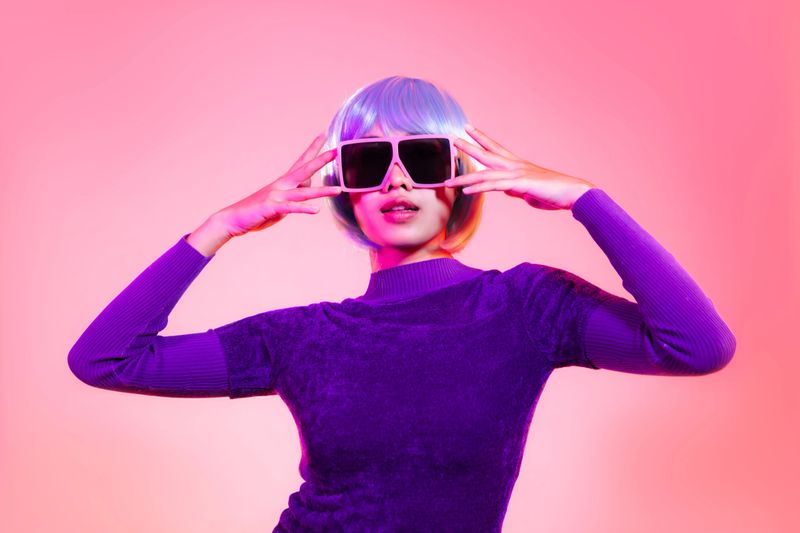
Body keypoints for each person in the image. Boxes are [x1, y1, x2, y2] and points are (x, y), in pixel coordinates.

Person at [68, 76, 737, 532]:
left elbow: (699, 346)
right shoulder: (305, 336)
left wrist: (587, 201)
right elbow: (104, 358)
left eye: (422, 155)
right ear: (345, 193)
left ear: (463, 178)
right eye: (367, 162)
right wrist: (223, 224)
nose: (396, 178)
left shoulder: (528, 305)